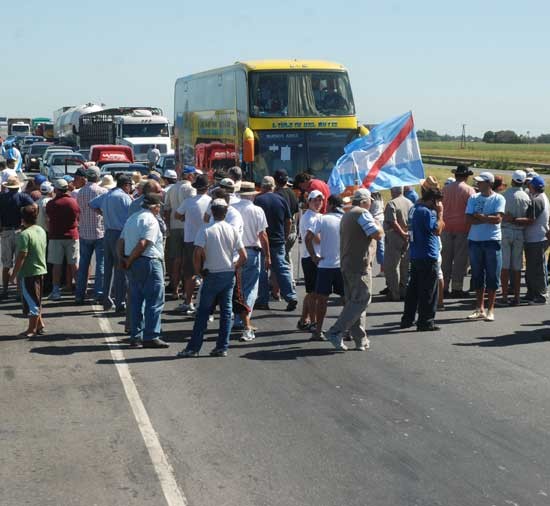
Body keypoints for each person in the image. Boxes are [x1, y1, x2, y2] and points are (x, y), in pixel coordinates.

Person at [177, 198, 247, 358]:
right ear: (225, 211)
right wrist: (234, 267)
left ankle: (193, 348)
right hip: (228, 274)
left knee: (203, 312)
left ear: (212, 211)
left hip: (212, 274)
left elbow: (197, 253)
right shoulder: (232, 230)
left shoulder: (205, 229)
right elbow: (243, 256)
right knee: (226, 312)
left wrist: (199, 271)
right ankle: (222, 347)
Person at [326, 189, 383, 351]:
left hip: (348, 263)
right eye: (370, 201)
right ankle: (336, 331)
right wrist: (378, 222)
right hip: (359, 264)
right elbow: (377, 234)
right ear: (365, 201)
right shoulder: (362, 214)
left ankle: (360, 339)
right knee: (361, 300)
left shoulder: (348, 214)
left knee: (355, 301)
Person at [118, 192, 169, 348]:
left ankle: (135, 335)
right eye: (159, 206)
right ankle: (151, 335)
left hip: (133, 262)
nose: (159, 209)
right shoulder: (151, 221)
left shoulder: (132, 218)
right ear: (154, 207)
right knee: (154, 300)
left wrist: (124, 259)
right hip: (148, 261)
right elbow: (143, 243)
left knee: (136, 300)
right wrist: (130, 259)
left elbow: (120, 241)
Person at [401, 185, 445, 331]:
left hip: (416, 254)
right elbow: (437, 230)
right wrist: (440, 214)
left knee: (413, 289)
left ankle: (407, 319)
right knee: (428, 291)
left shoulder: (414, 208)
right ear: (433, 200)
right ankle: (426, 321)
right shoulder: (427, 212)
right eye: (437, 201)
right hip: (428, 254)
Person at [232, 181, 270, 341]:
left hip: (235, 251)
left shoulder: (233, 209)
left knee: (238, 287)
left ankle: (237, 319)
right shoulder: (257, 210)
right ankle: (243, 319)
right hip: (252, 251)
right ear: (253, 195)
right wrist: (268, 255)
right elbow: (263, 235)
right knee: (250, 289)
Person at [465, 171, 506, 321]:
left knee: (492, 275)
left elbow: (498, 219)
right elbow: (468, 219)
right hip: (475, 240)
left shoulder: (498, 198)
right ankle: (479, 308)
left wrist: (481, 217)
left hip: (492, 240)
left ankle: (491, 309)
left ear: (489, 183)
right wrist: (486, 219)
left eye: (481, 182)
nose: (478, 184)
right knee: (477, 275)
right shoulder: (473, 198)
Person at [89, 174, 133, 312]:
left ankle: (106, 298)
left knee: (108, 268)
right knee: (120, 268)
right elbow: (132, 214)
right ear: (126, 185)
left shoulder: (108, 195)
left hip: (108, 232)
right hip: (120, 234)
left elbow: (92, 204)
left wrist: (103, 214)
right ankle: (120, 302)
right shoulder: (124, 197)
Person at [254, 176, 298, 311]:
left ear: (262, 187)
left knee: (262, 271)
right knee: (282, 268)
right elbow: (289, 220)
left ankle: (262, 299)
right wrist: (284, 236)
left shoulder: (258, 200)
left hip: (262, 240)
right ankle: (291, 296)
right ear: (273, 187)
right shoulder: (281, 199)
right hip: (278, 240)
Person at [306, 195, 345, 340]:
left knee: (322, 300)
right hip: (342, 265)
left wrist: (314, 256)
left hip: (325, 266)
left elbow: (308, 238)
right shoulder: (345, 219)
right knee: (346, 299)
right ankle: (347, 330)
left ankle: (318, 331)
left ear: (331, 205)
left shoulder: (321, 219)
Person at [175, 174, 211, 314]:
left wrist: (186, 218)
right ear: (207, 188)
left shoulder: (188, 202)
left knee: (189, 273)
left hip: (190, 240)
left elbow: (177, 215)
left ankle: (188, 301)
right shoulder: (210, 201)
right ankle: (205, 303)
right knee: (207, 272)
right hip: (206, 240)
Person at [9, 205, 47, 337]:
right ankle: (40, 324)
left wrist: (14, 275)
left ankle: (31, 329)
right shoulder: (40, 230)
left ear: (22, 219)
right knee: (37, 300)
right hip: (40, 269)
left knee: (32, 302)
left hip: (29, 272)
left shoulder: (24, 235)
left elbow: (22, 256)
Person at [441, 164, 476, 297]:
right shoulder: (469, 190)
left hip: (446, 226)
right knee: (460, 260)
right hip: (462, 228)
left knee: (446, 259)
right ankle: (457, 287)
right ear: (466, 176)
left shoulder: (445, 189)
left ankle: (443, 287)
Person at [75, 166, 107, 304]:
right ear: (98, 177)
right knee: (100, 265)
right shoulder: (103, 191)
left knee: (83, 264)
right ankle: (98, 293)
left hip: (84, 231)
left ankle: (79, 294)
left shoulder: (80, 192)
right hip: (99, 231)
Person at [164, 165, 196, 299]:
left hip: (174, 227)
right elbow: (192, 208)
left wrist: (168, 225)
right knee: (187, 261)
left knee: (176, 260)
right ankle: (184, 291)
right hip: (187, 228)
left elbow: (167, 210)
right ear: (189, 176)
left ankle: (175, 289)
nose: (194, 177)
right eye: (193, 175)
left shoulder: (171, 189)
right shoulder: (190, 189)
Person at [45, 179, 80, 300]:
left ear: (56, 190)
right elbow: (77, 216)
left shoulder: (51, 204)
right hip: (72, 235)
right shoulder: (73, 202)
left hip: (56, 236)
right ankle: (79, 291)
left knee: (57, 265)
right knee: (74, 264)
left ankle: (56, 291)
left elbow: (49, 217)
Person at [499, 170, 530, 305]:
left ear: (512, 181)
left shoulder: (505, 195)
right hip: (519, 232)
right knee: (517, 266)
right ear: (523, 182)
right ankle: (517, 297)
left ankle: (505, 296)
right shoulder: (526, 197)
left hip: (506, 230)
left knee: (504, 266)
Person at [0, 175, 34, 298]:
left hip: (6, 231)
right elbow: (34, 207)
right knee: (20, 262)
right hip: (20, 230)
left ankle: (4, 290)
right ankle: (20, 290)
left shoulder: (2, 197)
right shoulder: (23, 197)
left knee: (6, 264)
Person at [296, 190, 323, 332]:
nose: (318, 203)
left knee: (312, 292)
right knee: (314, 294)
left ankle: (303, 320)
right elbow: (317, 239)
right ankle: (313, 322)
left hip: (314, 258)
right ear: (309, 202)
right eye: (315, 200)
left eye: (320, 200)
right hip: (311, 258)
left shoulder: (317, 216)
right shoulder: (311, 218)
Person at [522, 176, 549, 304]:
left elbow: (530, 220)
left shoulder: (537, 200)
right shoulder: (542, 198)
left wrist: (513, 220)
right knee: (532, 268)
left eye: (530, 185)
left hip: (536, 238)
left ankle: (541, 295)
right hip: (537, 237)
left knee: (537, 268)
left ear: (533, 186)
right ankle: (532, 293)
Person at [383, 186, 412, 301]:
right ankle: (404, 291)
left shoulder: (392, 203)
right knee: (405, 265)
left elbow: (392, 221)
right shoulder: (410, 203)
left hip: (395, 236)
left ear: (393, 191)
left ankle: (394, 293)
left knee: (392, 266)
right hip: (408, 235)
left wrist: (401, 233)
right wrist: (406, 234)